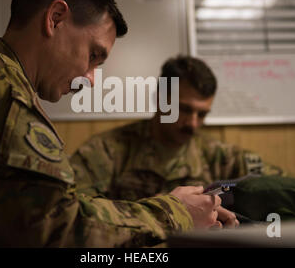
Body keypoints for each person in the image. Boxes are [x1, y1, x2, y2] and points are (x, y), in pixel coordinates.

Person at [0, 0, 225, 247]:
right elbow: (56, 228)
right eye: (93, 55)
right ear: (56, 18)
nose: (90, 79)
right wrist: (174, 213)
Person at [71, 56, 283, 206]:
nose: (192, 123)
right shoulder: (106, 151)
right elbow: (74, 211)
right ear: (159, 100)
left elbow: (282, 187)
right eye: (184, 109)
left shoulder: (219, 156)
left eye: (202, 114)